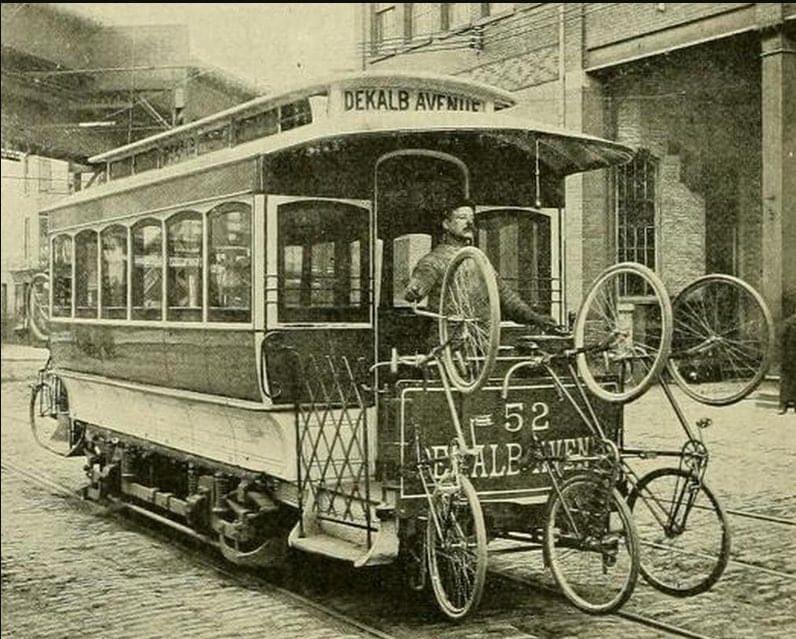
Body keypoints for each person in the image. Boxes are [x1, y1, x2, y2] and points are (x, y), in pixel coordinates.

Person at [404, 198, 559, 331]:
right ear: (446, 224)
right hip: (450, 344)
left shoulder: (479, 260)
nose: (469, 222)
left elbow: (505, 296)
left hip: (483, 343)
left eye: (471, 218)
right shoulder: (433, 261)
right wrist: (415, 290)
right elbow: (419, 284)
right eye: (462, 217)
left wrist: (535, 318)